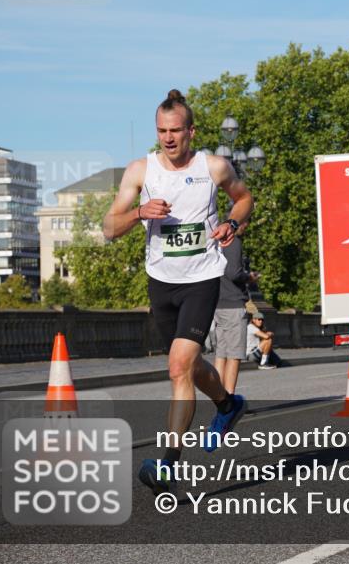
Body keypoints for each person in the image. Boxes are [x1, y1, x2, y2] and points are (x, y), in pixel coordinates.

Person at [103, 89, 253, 493]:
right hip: (161, 282)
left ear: (191, 131)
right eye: (161, 131)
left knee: (177, 368)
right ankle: (227, 403)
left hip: (202, 279)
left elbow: (243, 199)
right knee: (187, 366)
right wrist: (138, 213)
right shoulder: (140, 170)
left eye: (175, 131)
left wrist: (232, 225)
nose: (167, 139)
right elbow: (108, 228)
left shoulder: (214, 166)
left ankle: (167, 464)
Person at [213, 220, 260, 393]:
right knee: (234, 355)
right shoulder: (234, 242)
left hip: (217, 302)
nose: (247, 226)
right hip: (233, 303)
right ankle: (229, 398)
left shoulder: (216, 240)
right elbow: (233, 273)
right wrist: (250, 277)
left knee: (221, 353)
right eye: (246, 223)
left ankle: (218, 396)